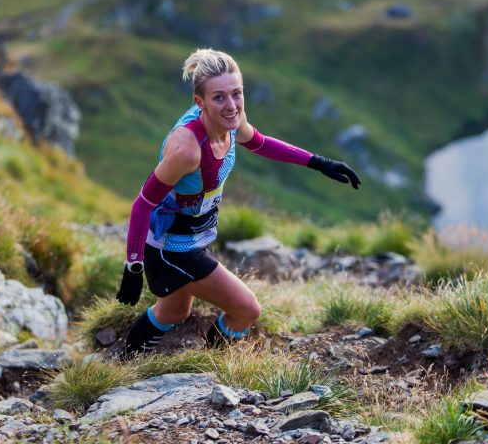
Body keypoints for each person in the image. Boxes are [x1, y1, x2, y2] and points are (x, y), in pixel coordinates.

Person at [117, 48, 360, 356]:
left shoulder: (231, 120)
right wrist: (134, 266)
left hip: (194, 235)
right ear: (199, 103)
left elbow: (258, 143)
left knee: (173, 312)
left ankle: (124, 361)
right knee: (246, 310)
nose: (231, 105)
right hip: (173, 249)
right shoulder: (187, 150)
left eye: (237, 94)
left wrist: (319, 162)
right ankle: (213, 364)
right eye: (219, 97)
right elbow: (142, 204)